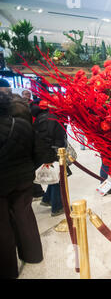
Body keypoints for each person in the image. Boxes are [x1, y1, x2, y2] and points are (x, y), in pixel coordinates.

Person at [0, 91, 50, 278]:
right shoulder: (22, 124)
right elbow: (38, 151)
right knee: (25, 216)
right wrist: (28, 169)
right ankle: (33, 255)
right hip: (24, 179)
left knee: (2, 225)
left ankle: (7, 270)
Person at [31, 99, 67, 216]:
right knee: (58, 177)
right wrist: (60, 152)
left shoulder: (38, 118)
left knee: (53, 175)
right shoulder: (53, 118)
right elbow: (59, 137)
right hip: (52, 151)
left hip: (41, 151)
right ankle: (57, 207)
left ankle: (47, 199)